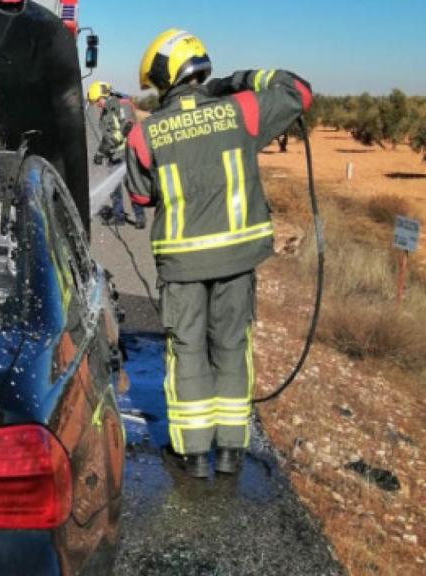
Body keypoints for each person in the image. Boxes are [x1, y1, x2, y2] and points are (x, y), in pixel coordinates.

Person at [124, 29, 312, 478]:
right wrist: (239, 81)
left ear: (165, 76)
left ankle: (194, 456)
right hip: (236, 260)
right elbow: (297, 90)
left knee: (186, 350)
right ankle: (230, 451)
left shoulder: (144, 134)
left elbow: (142, 196)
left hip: (182, 264)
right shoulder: (242, 109)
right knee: (231, 346)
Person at [88, 81, 146, 229]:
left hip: (127, 153)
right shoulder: (105, 114)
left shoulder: (123, 104)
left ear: (104, 96)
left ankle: (140, 217)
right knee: (114, 189)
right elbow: (106, 138)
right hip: (113, 155)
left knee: (132, 186)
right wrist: (100, 153)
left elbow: (128, 125)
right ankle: (118, 216)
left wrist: (115, 141)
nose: (98, 105)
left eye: (98, 101)